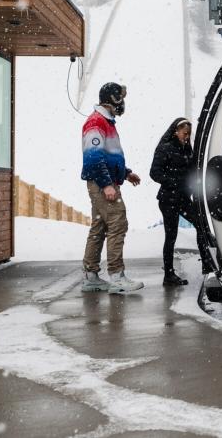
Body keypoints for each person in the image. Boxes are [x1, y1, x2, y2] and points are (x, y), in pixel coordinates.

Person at [80, 82, 144, 294]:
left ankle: (91, 276)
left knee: (99, 228)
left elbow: (109, 156)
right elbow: (94, 158)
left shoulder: (107, 122)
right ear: (111, 99)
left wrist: (125, 173)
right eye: (120, 98)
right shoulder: (96, 123)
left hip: (104, 181)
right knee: (118, 222)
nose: (122, 103)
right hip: (102, 183)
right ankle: (117, 276)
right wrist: (107, 184)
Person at [150, 117, 216, 285]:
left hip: (183, 198)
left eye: (188, 134)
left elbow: (193, 171)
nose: (187, 137)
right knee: (171, 235)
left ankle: (207, 265)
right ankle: (169, 275)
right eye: (184, 134)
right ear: (176, 132)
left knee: (201, 225)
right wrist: (174, 182)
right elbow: (154, 173)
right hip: (168, 198)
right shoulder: (165, 148)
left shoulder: (188, 149)